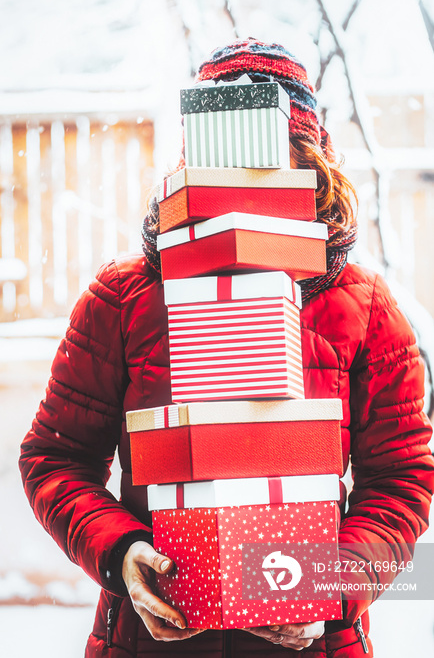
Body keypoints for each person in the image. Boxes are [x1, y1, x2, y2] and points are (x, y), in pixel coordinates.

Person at [19, 38, 434, 657]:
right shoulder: (123, 298)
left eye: (274, 163)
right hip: (147, 642)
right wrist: (124, 555)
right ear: (192, 167)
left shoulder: (366, 307)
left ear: (310, 168)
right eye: (228, 163)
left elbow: (402, 482)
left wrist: (327, 583)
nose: (247, 187)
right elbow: (54, 459)